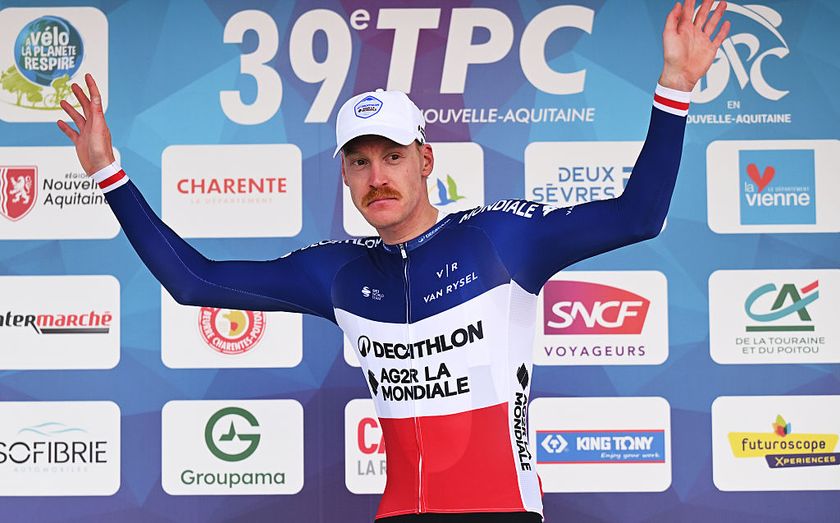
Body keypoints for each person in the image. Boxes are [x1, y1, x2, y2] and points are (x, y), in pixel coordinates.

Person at [56, 1, 729, 521]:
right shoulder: (338, 273)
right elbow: (191, 279)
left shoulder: (502, 239)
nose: (377, 176)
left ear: (426, 160)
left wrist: (675, 87)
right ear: (344, 175)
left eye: (393, 156)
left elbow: (638, 215)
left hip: (502, 512)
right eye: (360, 161)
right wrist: (109, 171)